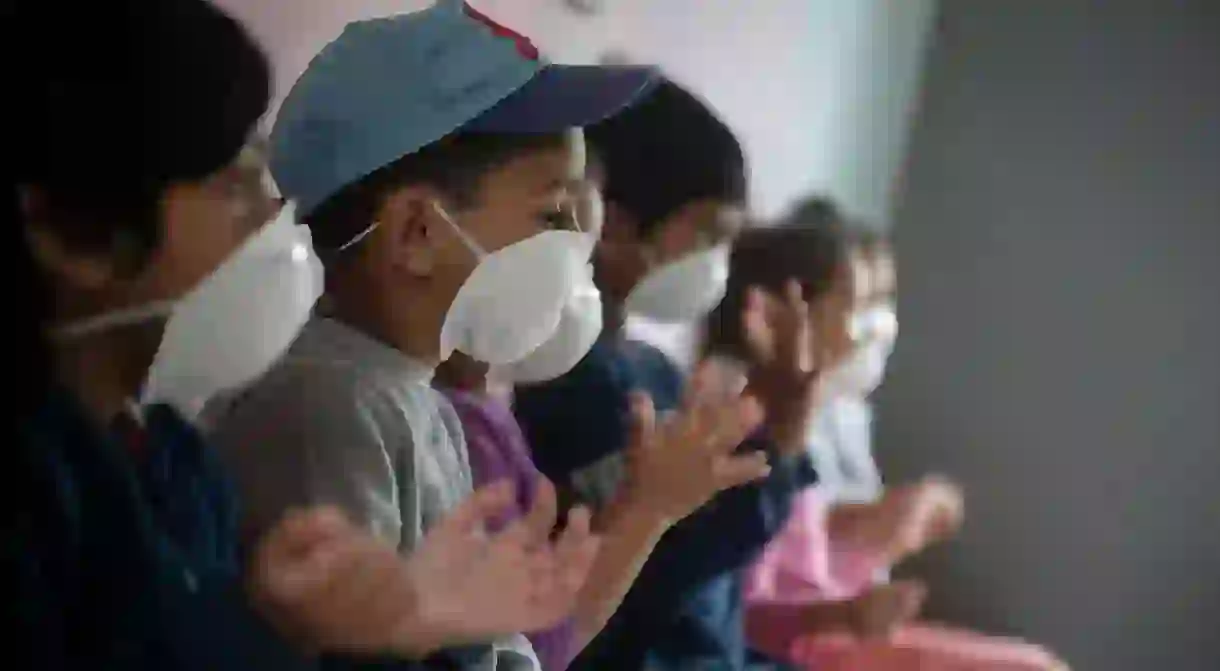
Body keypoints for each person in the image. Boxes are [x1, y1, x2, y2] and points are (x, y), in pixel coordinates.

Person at [3, 0, 604, 667]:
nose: (272, 213)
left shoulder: (168, 457)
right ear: (73, 233)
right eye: (233, 185)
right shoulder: (37, 489)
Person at [206, 2, 744, 668]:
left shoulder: (414, 398)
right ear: (416, 233)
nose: (581, 245)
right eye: (553, 212)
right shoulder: (325, 406)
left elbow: (497, 649)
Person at [512, 77, 852, 670]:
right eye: (707, 235)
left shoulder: (652, 368)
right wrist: (784, 423)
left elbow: (713, 596)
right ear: (612, 226)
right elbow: (657, 578)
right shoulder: (570, 383)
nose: (718, 263)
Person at [712, 199, 1068, 671]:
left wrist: (878, 532)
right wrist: (847, 610)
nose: (872, 326)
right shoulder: (746, 430)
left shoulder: (814, 419)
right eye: (858, 305)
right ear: (781, 315)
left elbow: (803, 571)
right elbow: (740, 615)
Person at [434, 180, 772, 669]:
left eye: (584, 235)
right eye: (551, 218)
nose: (578, 256)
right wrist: (649, 510)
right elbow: (556, 637)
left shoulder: (649, 369)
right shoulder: (572, 391)